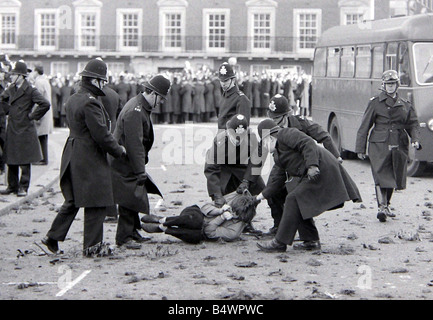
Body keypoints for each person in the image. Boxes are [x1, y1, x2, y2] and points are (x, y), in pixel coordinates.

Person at [41, 59, 126, 256]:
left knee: (73, 198)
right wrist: (119, 151)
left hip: (72, 152)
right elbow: (102, 135)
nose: (104, 85)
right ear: (95, 81)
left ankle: (53, 236)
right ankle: (92, 246)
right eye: (102, 81)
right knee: (97, 198)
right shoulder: (91, 102)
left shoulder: (74, 98)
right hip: (89, 155)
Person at [255, 119, 362, 252]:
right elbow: (277, 179)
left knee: (293, 199)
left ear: (270, 138)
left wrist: (312, 165)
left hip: (322, 168)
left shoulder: (286, 134)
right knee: (298, 199)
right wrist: (260, 197)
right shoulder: (278, 153)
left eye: (264, 143)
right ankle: (311, 241)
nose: (264, 146)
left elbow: (308, 142)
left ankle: (280, 242)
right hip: (314, 171)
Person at [262, 94, 342, 234]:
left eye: (277, 118)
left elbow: (324, 136)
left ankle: (305, 233)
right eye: (272, 118)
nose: (274, 122)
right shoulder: (270, 128)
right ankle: (278, 226)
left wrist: (336, 157)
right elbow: (263, 148)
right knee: (272, 191)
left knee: (298, 197)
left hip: (302, 166)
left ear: (287, 115)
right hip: (282, 163)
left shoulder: (301, 123)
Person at [109, 74, 170, 249]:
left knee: (134, 196)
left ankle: (133, 231)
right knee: (129, 197)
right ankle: (124, 236)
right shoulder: (135, 110)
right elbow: (134, 144)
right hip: (124, 161)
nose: (161, 102)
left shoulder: (139, 105)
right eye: (161, 98)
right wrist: (140, 171)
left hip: (126, 160)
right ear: (153, 93)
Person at [355, 70, 420, 223]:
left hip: (399, 143)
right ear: (383, 85)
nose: (390, 87)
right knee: (380, 173)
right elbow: (365, 126)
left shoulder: (405, 104)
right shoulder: (375, 103)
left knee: (393, 174)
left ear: (397, 85)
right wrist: (360, 148)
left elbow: (413, 123)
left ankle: (387, 204)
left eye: (393, 84)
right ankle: (381, 207)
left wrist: (415, 139)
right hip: (379, 144)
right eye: (388, 84)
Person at [204, 114, 264, 234]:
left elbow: (256, 162)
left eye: (240, 137)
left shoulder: (252, 138)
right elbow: (211, 169)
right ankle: (226, 220)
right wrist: (216, 195)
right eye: (234, 136)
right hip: (224, 170)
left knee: (259, 188)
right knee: (222, 195)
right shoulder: (219, 140)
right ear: (228, 131)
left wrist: (247, 181)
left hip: (242, 169)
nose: (237, 140)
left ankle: (246, 221)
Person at [0, 61, 50, 197]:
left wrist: (32, 116)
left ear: (20, 76)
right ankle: (12, 185)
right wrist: (8, 111)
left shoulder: (30, 90)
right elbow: (2, 100)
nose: (10, 77)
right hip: (13, 127)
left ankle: (23, 187)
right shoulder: (11, 89)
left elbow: (45, 104)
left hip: (25, 128)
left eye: (13, 75)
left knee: (24, 159)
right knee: (11, 157)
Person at [141, 191, 260, 244]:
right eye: (232, 210)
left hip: (202, 231)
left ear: (241, 218)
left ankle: (163, 228)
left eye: (235, 214)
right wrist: (219, 210)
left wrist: (222, 217)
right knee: (196, 220)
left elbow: (209, 231)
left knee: (196, 236)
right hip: (195, 214)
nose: (232, 212)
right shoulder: (231, 203)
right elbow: (204, 208)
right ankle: (163, 220)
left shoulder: (234, 231)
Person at [217, 62, 251, 130]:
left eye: (226, 80)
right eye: (221, 81)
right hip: (222, 137)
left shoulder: (241, 99)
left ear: (233, 80)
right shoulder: (224, 95)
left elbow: (242, 127)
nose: (223, 84)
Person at [32, 64, 53, 166]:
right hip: (47, 112)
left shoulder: (38, 82)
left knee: (41, 137)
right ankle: (44, 158)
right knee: (43, 137)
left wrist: (36, 115)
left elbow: (38, 100)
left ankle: (43, 159)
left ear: (36, 71)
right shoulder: (45, 81)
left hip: (42, 113)